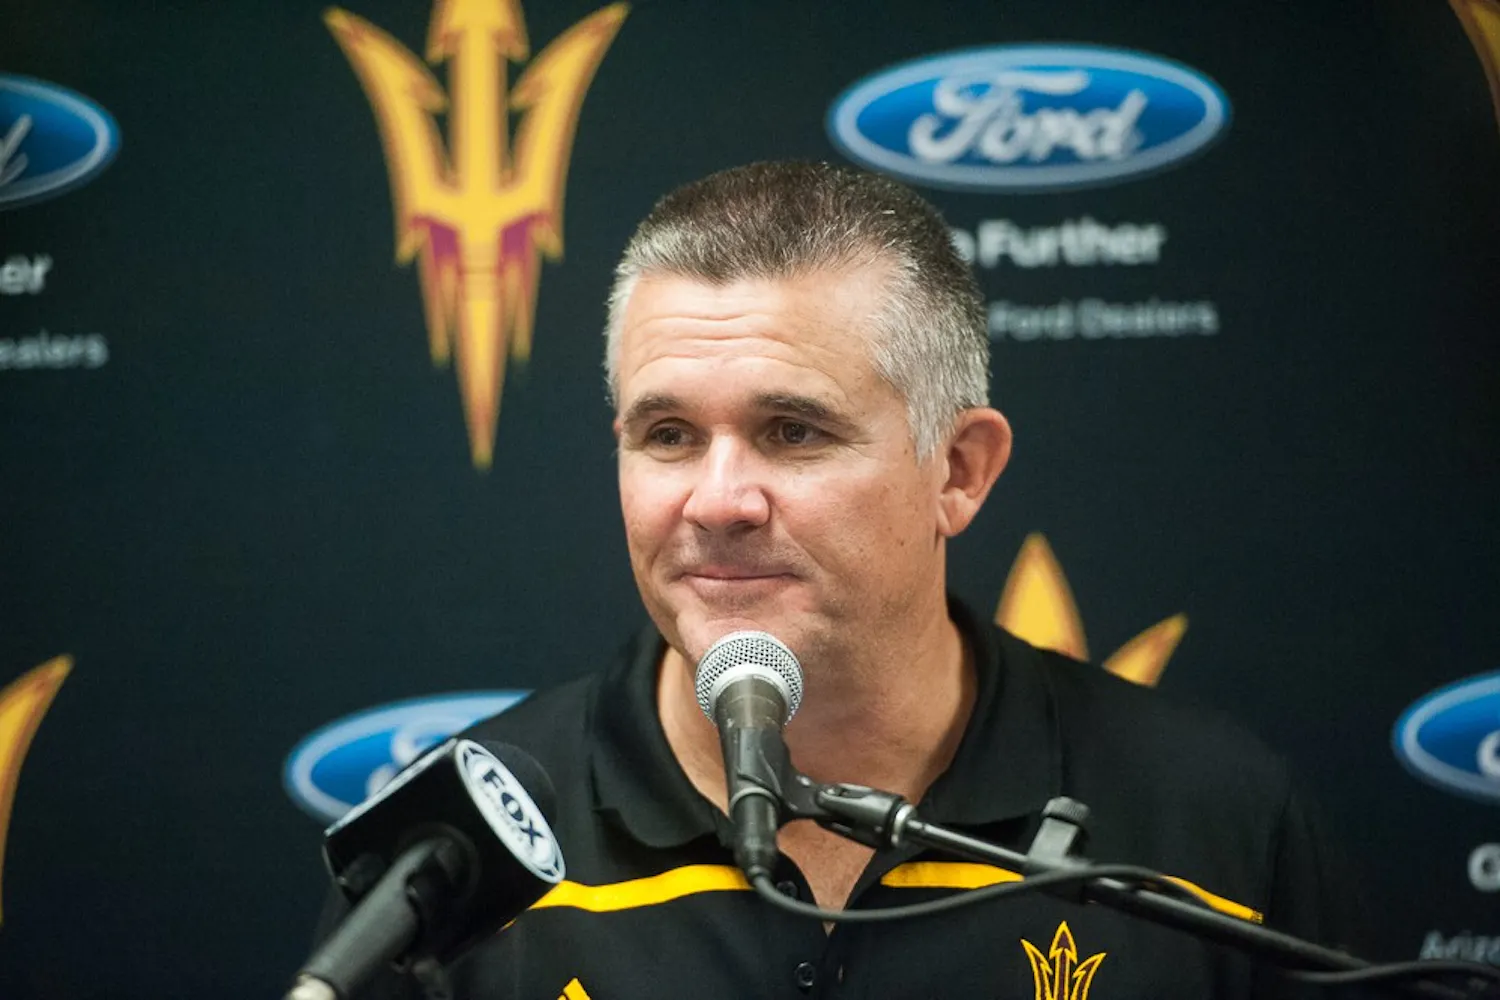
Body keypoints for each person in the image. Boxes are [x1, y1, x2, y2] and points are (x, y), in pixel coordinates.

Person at [321, 161, 1355, 999]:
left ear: (958, 471)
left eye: (793, 431)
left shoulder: (1211, 820)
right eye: (668, 434)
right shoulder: (452, 854)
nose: (719, 500)